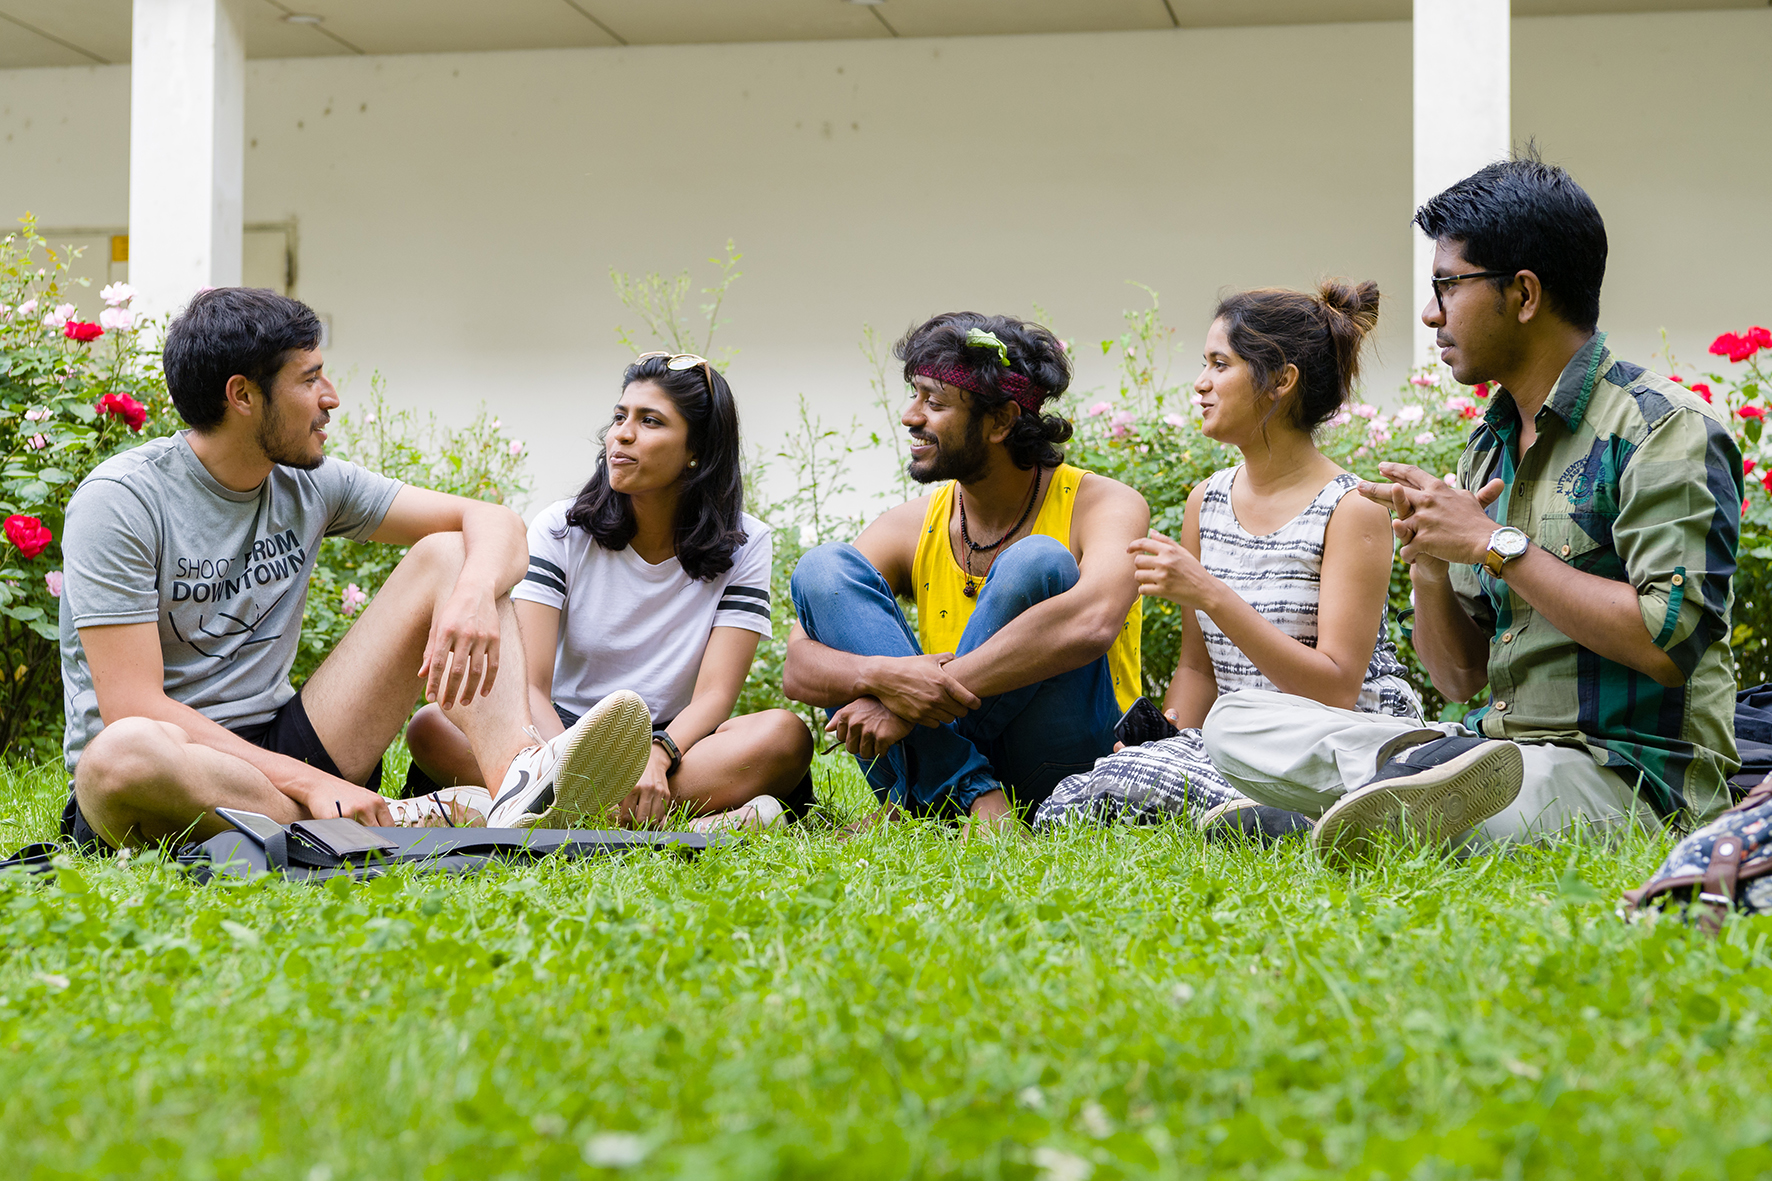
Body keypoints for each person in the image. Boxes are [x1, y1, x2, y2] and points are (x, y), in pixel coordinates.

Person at [1204, 154, 1743, 860]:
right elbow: (1458, 676)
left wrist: (1497, 544)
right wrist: (1429, 562)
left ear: (1523, 294)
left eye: (1447, 287)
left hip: (1630, 779)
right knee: (1236, 722)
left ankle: (1367, 813)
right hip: (1490, 759)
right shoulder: (1489, 449)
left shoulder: (1661, 430)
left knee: (1495, 791)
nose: (1430, 313)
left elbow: (1666, 641)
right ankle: (1403, 796)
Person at [60, 288, 653, 850]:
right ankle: (385, 820)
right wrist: (310, 783)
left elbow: (493, 521)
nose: (331, 397)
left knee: (451, 552)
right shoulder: (121, 502)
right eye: (310, 378)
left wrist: (473, 593)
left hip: (285, 739)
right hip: (180, 765)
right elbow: (133, 706)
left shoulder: (311, 482)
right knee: (123, 754)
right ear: (242, 395)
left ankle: (518, 789)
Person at [1035, 282, 1420, 839]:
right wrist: (1164, 741)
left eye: (1220, 364)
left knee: (1130, 792)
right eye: (1205, 364)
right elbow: (1197, 670)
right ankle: (1284, 820)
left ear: (1281, 382)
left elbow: (1337, 686)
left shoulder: (1351, 507)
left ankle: (1330, 810)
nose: (1201, 383)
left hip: (1333, 735)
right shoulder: (1207, 501)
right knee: (1081, 796)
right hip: (1235, 741)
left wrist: (1209, 592)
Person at [403, 351, 815, 830]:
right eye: (620, 416)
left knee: (784, 736)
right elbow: (531, 684)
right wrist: (563, 766)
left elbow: (714, 697)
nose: (621, 432)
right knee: (431, 725)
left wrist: (658, 755)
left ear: (696, 450)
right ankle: (679, 822)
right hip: (555, 732)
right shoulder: (561, 528)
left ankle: (513, 809)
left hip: (674, 743)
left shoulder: (746, 543)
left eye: (651, 421)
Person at [784, 313, 1149, 828]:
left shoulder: (1104, 504)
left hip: (1070, 771)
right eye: (914, 395)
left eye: (934, 403)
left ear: (1001, 421)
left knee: (1037, 562)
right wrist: (886, 677)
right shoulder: (911, 525)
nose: (911, 416)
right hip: (956, 759)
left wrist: (907, 704)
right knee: (823, 567)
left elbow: (1092, 623)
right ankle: (974, 797)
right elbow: (798, 668)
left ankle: (932, 795)